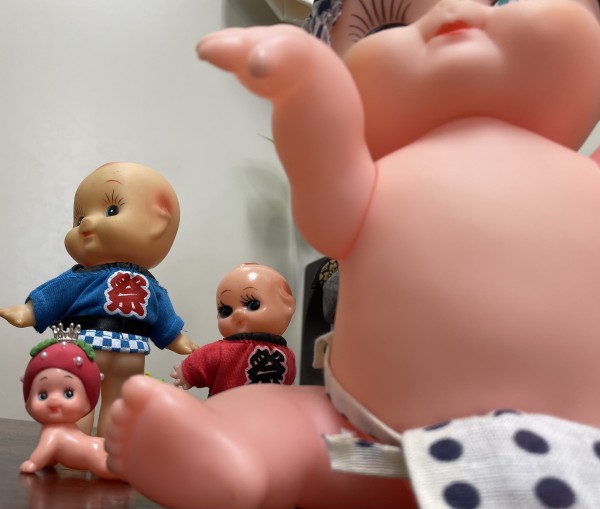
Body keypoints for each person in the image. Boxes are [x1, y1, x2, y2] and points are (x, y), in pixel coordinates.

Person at [104, 0, 600, 507]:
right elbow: (324, 175)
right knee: (276, 412)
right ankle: (229, 458)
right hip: (372, 448)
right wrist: (304, 86)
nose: (452, 14)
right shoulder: (366, 183)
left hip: (584, 452)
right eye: (388, 24)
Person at [0, 162, 197, 436]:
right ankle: (71, 445)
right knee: (77, 396)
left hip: (132, 354)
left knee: (120, 404)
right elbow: (56, 294)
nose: (86, 223)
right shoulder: (82, 277)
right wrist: (30, 311)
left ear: (158, 222)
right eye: (79, 218)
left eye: (111, 210)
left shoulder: (152, 287)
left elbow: (164, 319)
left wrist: (177, 339)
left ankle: (109, 448)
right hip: (86, 348)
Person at [171, 263, 296, 396]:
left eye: (253, 304)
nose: (237, 314)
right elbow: (203, 360)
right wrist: (188, 372)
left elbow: (202, 360)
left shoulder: (222, 351)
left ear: (288, 305)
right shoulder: (288, 355)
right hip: (237, 408)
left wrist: (185, 372)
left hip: (232, 407)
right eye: (226, 311)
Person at [21, 324, 119, 480]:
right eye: (43, 395)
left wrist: (33, 462)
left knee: (104, 467)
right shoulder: (62, 430)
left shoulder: (52, 433)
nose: (54, 401)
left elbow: (43, 451)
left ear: (87, 403)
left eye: (68, 394)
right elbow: (51, 452)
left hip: (92, 450)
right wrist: (49, 461)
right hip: (96, 444)